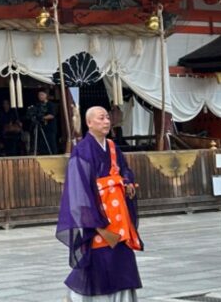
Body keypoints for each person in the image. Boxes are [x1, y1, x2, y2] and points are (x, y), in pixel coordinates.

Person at [57, 106, 143, 301]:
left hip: (119, 214)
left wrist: (127, 182)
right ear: (89, 123)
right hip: (98, 215)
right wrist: (93, 221)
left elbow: (125, 170)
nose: (106, 121)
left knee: (122, 257)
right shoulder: (82, 151)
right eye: (101, 118)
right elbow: (79, 188)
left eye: (107, 118)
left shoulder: (112, 147)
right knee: (99, 258)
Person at [34, 90, 58, 155]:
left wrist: (42, 118)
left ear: (46, 95)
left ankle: (53, 155)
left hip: (50, 127)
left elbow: (52, 115)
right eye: (39, 95)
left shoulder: (50, 104)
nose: (40, 96)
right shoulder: (38, 105)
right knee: (42, 143)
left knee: (51, 142)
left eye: (42, 95)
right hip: (42, 127)